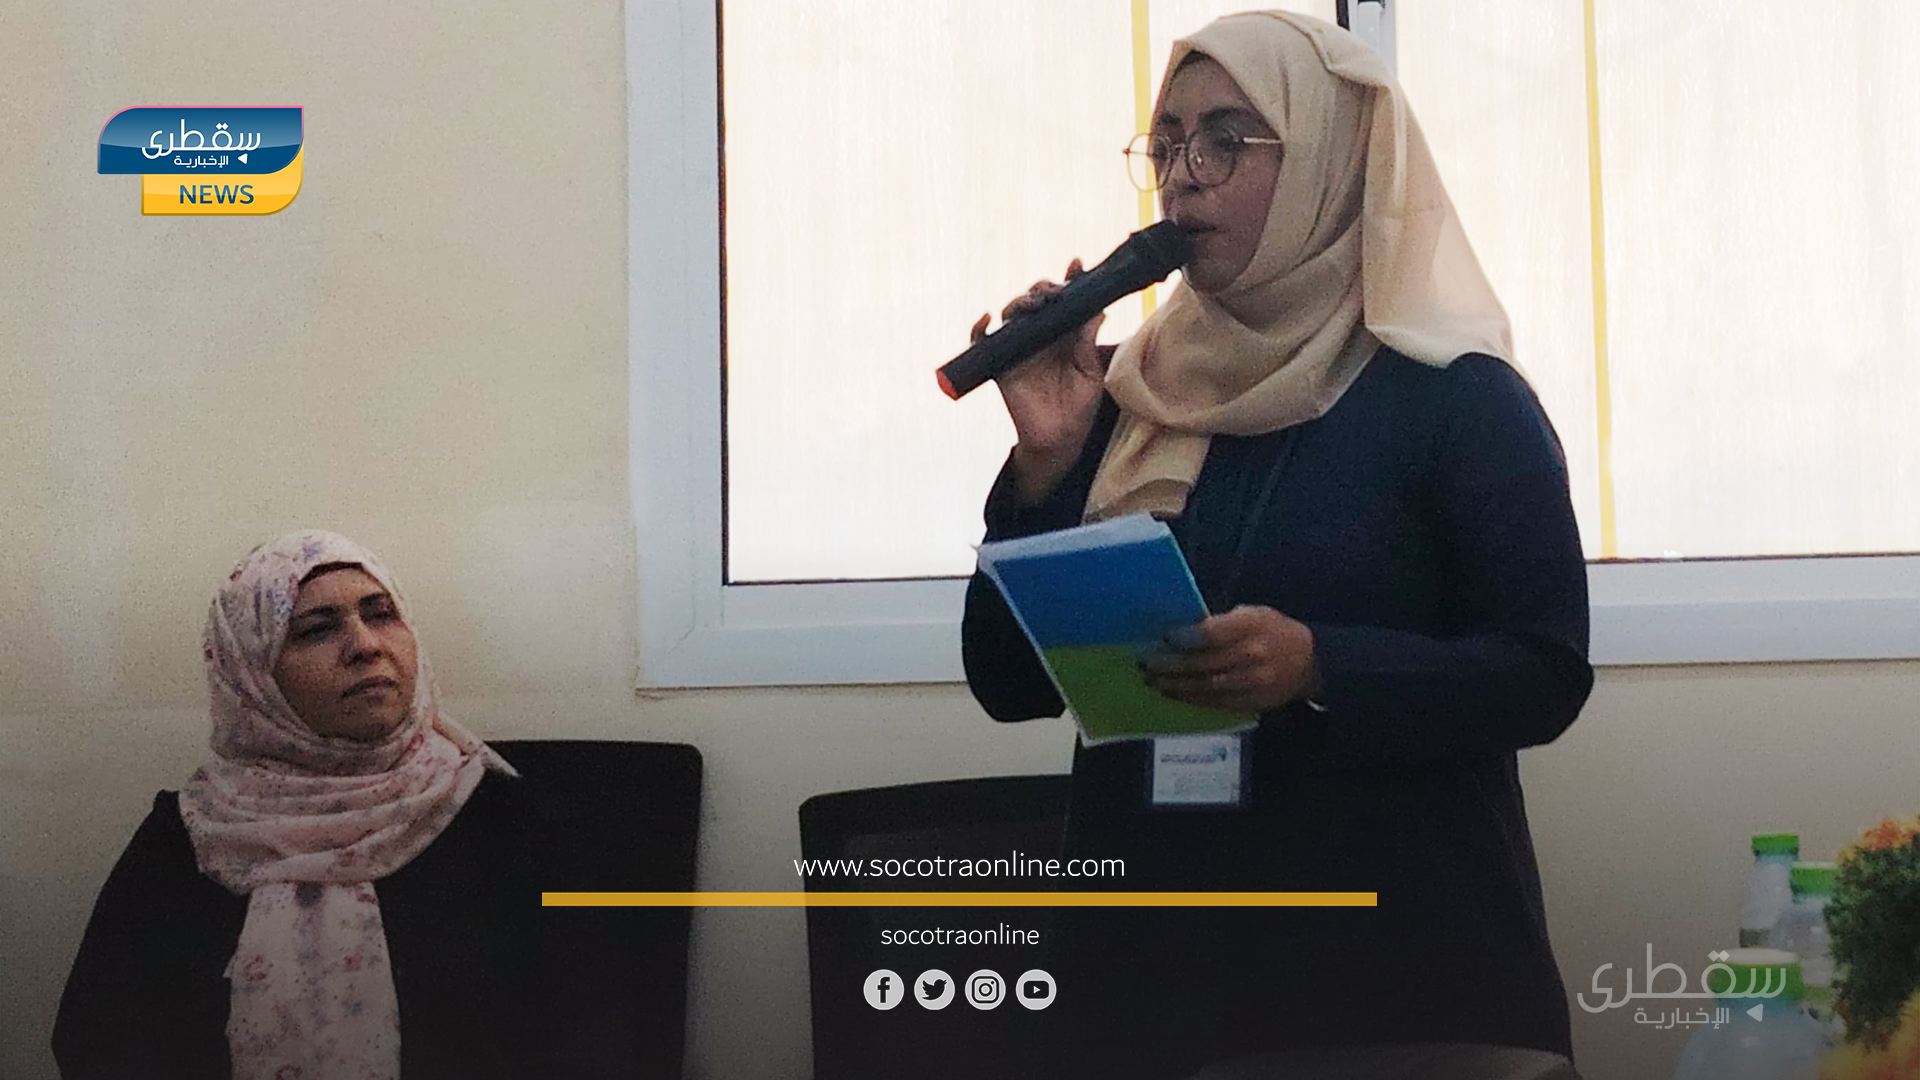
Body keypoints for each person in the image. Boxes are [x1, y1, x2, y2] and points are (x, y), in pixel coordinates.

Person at [960, 11, 1592, 1079]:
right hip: (1150, 965)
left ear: (1332, 163)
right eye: (1167, 143)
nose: (1183, 177)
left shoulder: (1456, 396)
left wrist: (1320, 665)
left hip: (1390, 959)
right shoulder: (1123, 393)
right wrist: (1046, 462)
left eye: (1227, 141)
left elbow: (1544, 672)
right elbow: (1007, 684)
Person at [54, 531, 622, 1079]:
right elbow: (101, 1040)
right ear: (250, 672)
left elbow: (597, 1031)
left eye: (381, 614)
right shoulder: (193, 835)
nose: (366, 646)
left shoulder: (507, 821)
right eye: (315, 630)